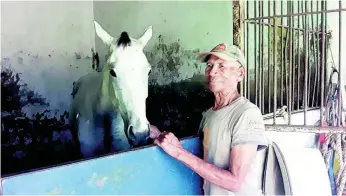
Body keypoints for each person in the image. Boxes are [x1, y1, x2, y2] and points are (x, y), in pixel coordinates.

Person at [150, 43, 268, 195]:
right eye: (210, 65)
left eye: (221, 66)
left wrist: (178, 152)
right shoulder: (209, 114)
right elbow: (206, 161)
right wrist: (163, 137)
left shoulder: (246, 113)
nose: (212, 72)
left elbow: (234, 182)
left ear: (240, 73)